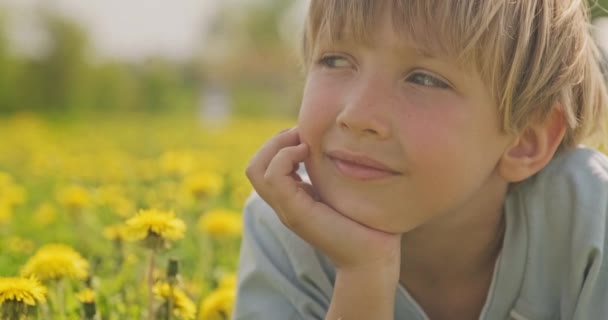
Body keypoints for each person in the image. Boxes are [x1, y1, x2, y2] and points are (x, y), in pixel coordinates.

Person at [234, 0, 608, 319]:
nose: (358, 115)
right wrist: (365, 272)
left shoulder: (589, 221)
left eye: (424, 80)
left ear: (525, 141)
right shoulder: (283, 224)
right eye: (335, 60)